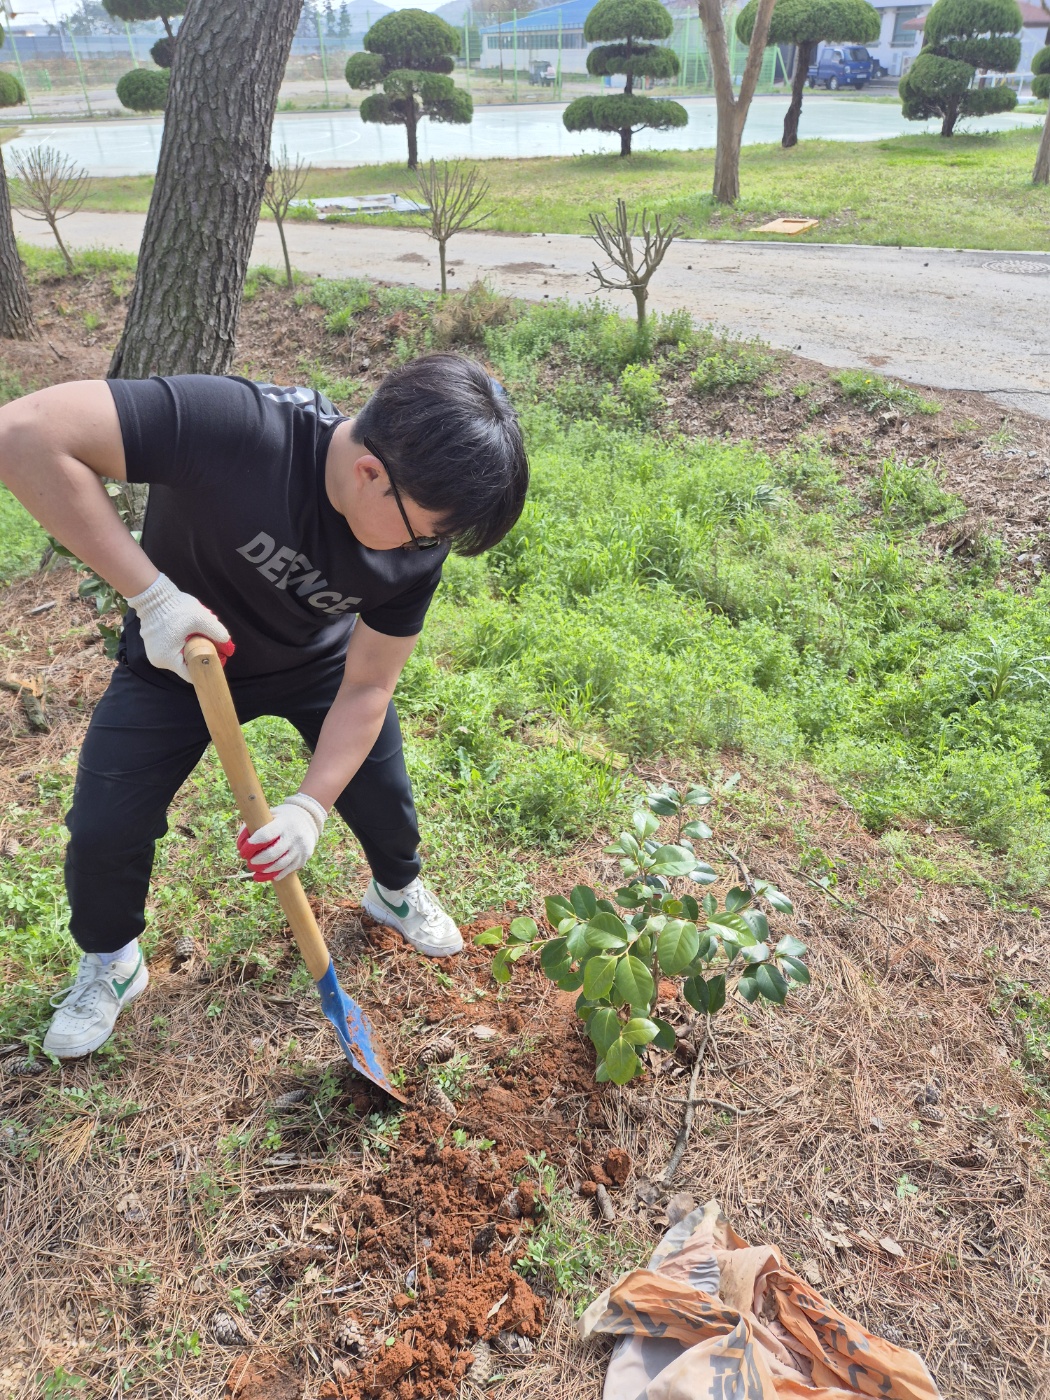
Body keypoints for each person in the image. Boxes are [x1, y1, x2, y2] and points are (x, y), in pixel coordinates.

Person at [0, 354, 528, 1060]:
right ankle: (113, 961)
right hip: (175, 657)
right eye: (425, 532)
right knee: (104, 825)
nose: (426, 549)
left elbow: (369, 687)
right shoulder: (239, 428)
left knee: (382, 791)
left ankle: (396, 890)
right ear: (372, 474)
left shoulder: (415, 546)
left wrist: (309, 806)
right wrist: (152, 597)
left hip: (315, 664)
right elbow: (22, 435)